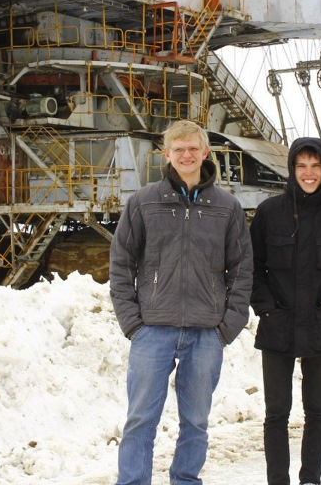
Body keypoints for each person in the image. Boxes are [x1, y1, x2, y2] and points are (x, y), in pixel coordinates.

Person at [109, 120, 253, 485]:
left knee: (196, 421)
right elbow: (121, 262)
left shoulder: (227, 207)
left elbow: (241, 269)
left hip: (206, 332)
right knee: (140, 418)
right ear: (167, 154)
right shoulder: (144, 202)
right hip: (153, 329)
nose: (186, 155)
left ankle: (185, 480)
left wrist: (227, 326)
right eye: (179, 149)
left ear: (205, 153)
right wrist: (132, 322)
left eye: (193, 149)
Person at [250, 137, 321, 485]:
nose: (309, 174)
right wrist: (266, 309)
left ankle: (311, 479)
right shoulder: (270, 213)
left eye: (315, 166)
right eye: (302, 166)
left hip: (320, 324)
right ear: (291, 170)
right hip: (278, 325)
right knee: (276, 414)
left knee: (317, 412)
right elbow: (253, 267)